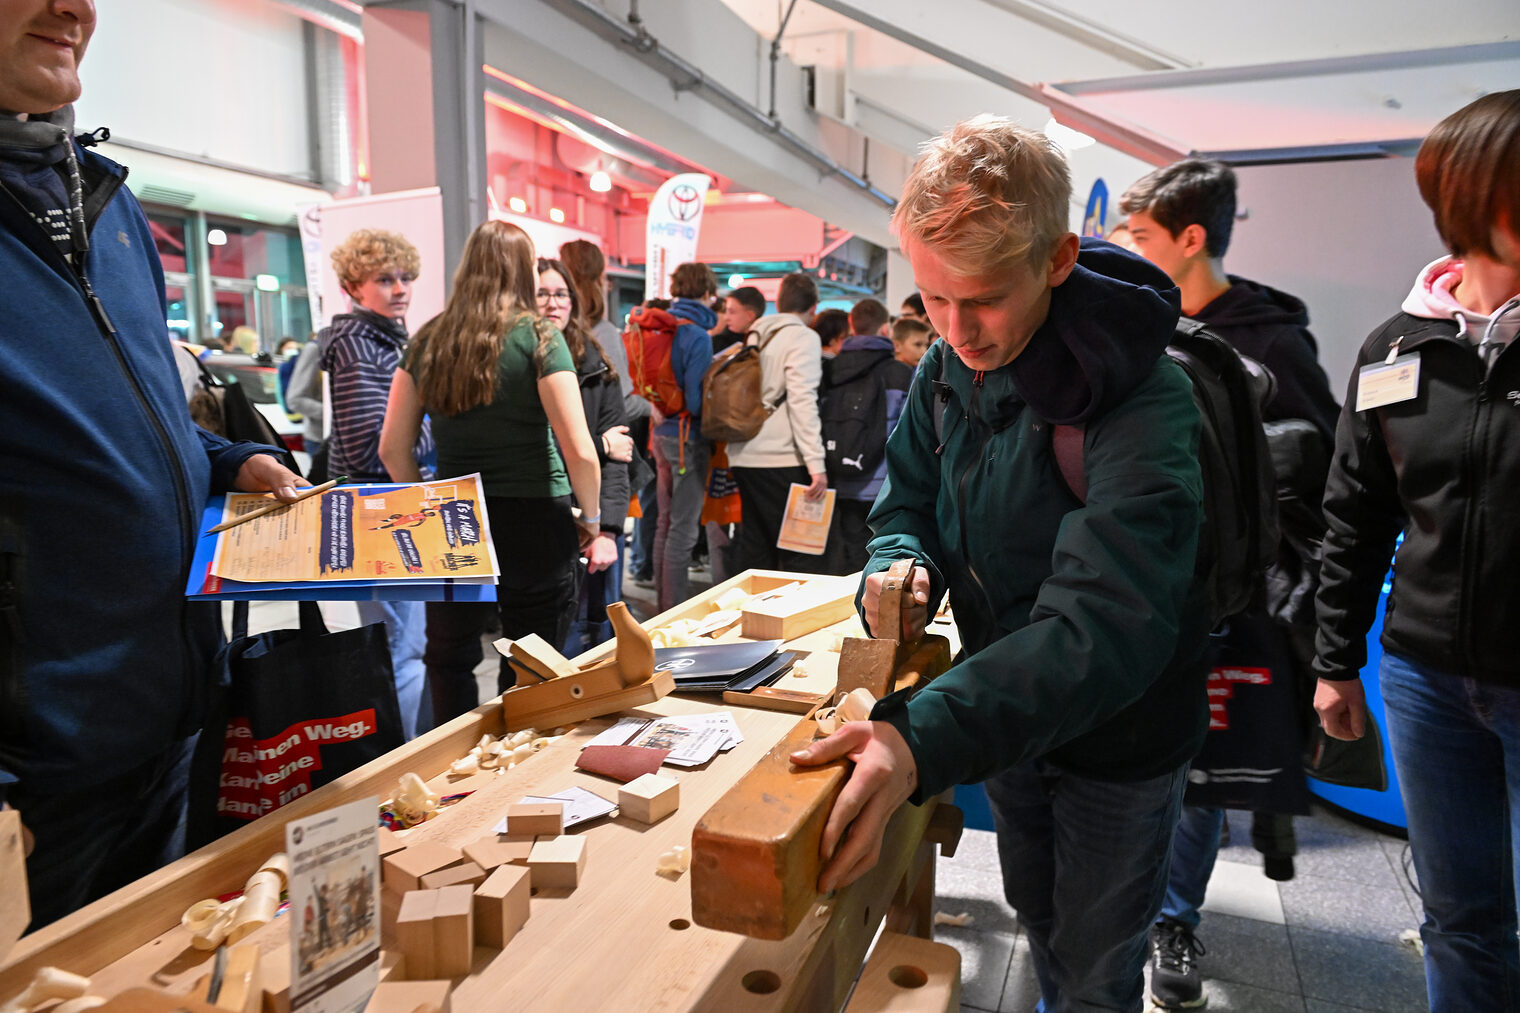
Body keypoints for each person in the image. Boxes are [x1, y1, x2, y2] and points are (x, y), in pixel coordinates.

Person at [792, 115, 1210, 1012]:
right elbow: (906, 500)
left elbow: (1103, 624)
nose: (956, 328)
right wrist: (903, 563)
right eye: (932, 300)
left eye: (979, 298)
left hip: (1120, 736)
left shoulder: (1142, 396)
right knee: (1039, 914)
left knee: (1097, 961)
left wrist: (917, 736)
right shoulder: (949, 365)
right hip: (1008, 719)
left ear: (1057, 260)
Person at [0, 0, 307, 929]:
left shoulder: (102, 198)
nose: (75, 8)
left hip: (163, 720)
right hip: (37, 773)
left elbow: (125, 421)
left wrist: (228, 460)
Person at [1312, 89, 1520, 1013]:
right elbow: (1355, 513)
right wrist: (1334, 663)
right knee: (1461, 914)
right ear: (1477, 198)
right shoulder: (1397, 346)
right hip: (1426, 681)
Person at [1118, 157, 1340, 1009]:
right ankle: (1118, 909)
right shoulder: (1135, 321)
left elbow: (1316, 461)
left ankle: (1174, 918)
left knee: (1202, 770)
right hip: (1139, 580)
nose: (1128, 250)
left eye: (1140, 237)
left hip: (1229, 591)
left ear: (1191, 238)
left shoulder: (1270, 337)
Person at [379, 221, 600, 724]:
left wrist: (424, 506)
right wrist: (592, 516)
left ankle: (449, 779)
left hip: (454, 516)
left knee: (450, 657)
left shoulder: (430, 338)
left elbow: (393, 448)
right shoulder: (540, 336)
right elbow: (579, 449)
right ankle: (515, 772)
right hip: (534, 519)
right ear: (524, 269)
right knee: (532, 662)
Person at [320, 228, 433, 740]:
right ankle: (400, 767)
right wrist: (439, 426)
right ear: (353, 285)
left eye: (405, 277)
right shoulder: (361, 346)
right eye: (384, 279)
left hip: (382, 505)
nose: (400, 288)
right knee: (401, 652)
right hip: (379, 509)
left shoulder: (381, 339)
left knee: (398, 647)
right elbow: (375, 444)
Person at [536, 256, 632, 653]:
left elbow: (618, 458)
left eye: (561, 294)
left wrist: (607, 530)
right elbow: (539, 449)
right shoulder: (513, 362)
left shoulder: (596, 363)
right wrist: (598, 444)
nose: (553, 303)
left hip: (590, 522)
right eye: (542, 294)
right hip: (537, 518)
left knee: (595, 645)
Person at [725, 272, 829, 574]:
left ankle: (752, 617)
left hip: (743, 454)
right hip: (781, 459)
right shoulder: (804, 338)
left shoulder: (758, 333)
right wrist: (816, 464)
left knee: (755, 552)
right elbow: (801, 401)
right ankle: (787, 619)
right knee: (797, 555)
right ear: (813, 308)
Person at [821, 297, 912, 575]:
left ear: (851, 326)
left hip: (841, 476)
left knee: (849, 556)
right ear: (886, 329)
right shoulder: (898, 372)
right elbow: (904, 430)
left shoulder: (831, 369)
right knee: (884, 562)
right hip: (883, 486)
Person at [649, 262, 716, 612]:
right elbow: (694, 399)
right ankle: (673, 608)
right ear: (707, 292)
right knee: (684, 528)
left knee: (664, 522)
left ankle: (663, 601)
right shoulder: (697, 335)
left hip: (658, 433)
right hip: (687, 438)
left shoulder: (662, 326)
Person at [719, 285, 766, 355]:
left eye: (732, 312)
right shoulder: (717, 344)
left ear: (750, 316)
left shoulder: (765, 346)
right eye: (726, 311)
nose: (726, 317)